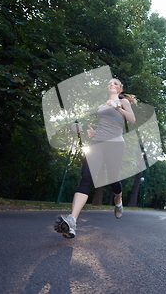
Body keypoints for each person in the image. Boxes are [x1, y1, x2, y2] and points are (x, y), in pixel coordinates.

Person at [55, 78, 136, 239]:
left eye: (115, 83)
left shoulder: (123, 102)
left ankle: (118, 200)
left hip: (115, 145)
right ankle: (72, 221)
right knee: (86, 178)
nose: (111, 85)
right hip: (97, 143)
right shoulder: (102, 106)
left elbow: (132, 120)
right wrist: (94, 133)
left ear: (120, 89)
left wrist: (117, 107)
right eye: (109, 83)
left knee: (113, 179)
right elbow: (105, 124)